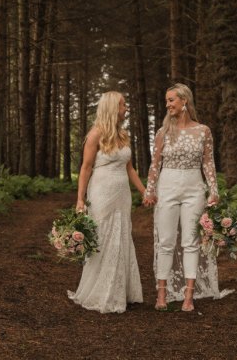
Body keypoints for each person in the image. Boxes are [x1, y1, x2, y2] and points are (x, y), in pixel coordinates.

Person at [144, 83, 230, 312]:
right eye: (166, 101)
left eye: (171, 100)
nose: (168, 105)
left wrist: (214, 190)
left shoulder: (203, 131)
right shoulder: (163, 132)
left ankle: (188, 296)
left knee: (191, 241)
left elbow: (208, 162)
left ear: (184, 101)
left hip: (194, 187)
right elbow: (155, 164)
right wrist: (150, 190)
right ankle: (161, 293)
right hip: (168, 186)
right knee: (166, 241)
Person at [68, 91, 145, 313]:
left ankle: (120, 290)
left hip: (122, 194)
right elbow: (85, 168)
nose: (126, 108)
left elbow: (129, 168)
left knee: (121, 236)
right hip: (102, 192)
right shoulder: (95, 135)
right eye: (123, 104)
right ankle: (102, 292)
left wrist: (144, 191)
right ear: (113, 108)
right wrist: (80, 199)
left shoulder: (123, 135)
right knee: (104, 237)